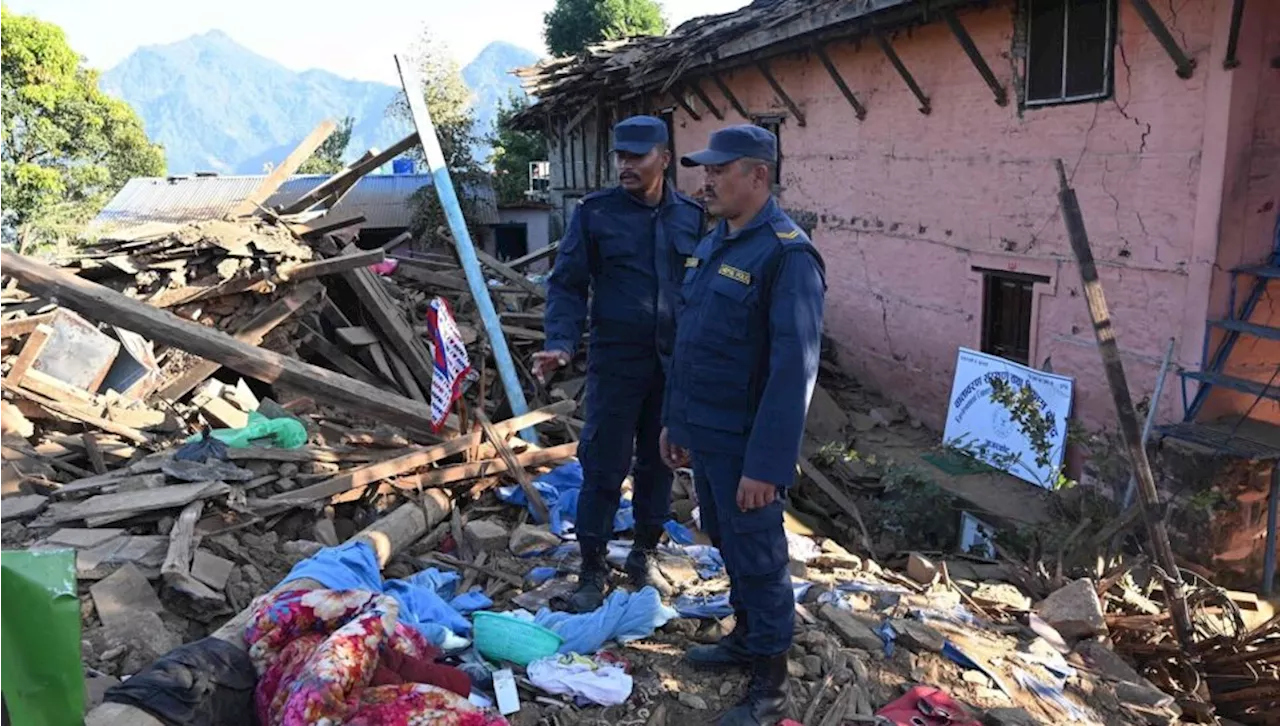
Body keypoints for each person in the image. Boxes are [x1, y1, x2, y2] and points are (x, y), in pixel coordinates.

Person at [660, 125, 826, 726]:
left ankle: (771, 688)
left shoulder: (787, 256)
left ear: (757, 176)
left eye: (718, 171)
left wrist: (766, 466)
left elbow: (793, 373)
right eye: (704, 170)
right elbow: (691, 346)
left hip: (747, 446)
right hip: (706, 435)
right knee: (730, 545)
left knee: (760, 555)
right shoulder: (717, 244)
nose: (705, 181)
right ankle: (746, 637)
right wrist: (676, 422)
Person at [535, 116, 705, 613]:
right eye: (621, 156)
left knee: (659, 461)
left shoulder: (692, 218)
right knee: (603, 464)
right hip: (616, 363)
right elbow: (566, 284)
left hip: (671, 368)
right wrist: (561, 343)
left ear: (665, 159)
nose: (626, 165)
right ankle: (591, 567)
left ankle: (644, 553)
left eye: (637, 156)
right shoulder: (595, 214)